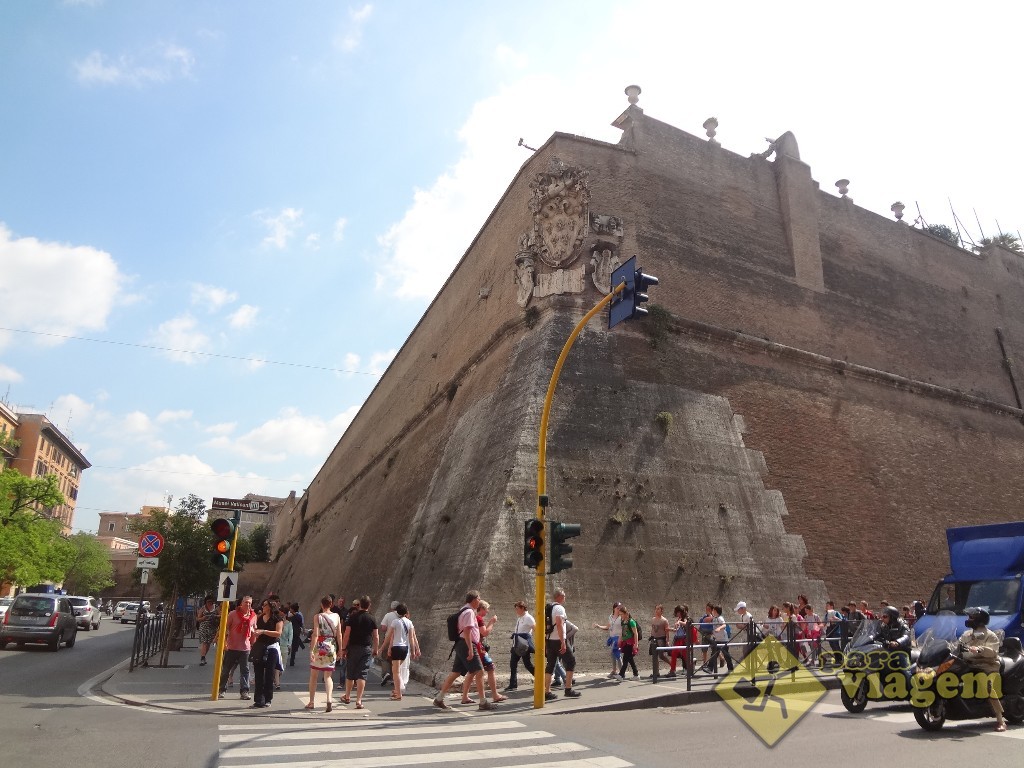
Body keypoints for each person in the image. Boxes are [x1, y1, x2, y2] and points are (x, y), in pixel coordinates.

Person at [434, 590, 491, 711]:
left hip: (461, 644)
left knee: (456, 672)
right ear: (475, 599)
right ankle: (483, 702)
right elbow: (467, 631)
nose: (480, 601)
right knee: (479, 671)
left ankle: (439, 698)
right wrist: (471, 649)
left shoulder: (464, 610)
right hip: (467, 644)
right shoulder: (469, 612)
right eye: (479, 599)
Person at [959, 607, 1007, 732]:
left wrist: (980, 649)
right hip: (969, 663)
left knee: (987, 686)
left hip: (987, 665)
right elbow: (959, 645)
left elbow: (993, 652)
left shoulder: (991, 636)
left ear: (979, 620)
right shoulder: (967, 634)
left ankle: (1000, 720)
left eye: (971, 617)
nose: (968, 619)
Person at [462, 600, 507, 703]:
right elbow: (485, 632)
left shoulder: (474, 617)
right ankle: (494, 695)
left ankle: (464, 696)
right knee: (490, 668)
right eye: (486, 609)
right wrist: (492, 622)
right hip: (479, 648)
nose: (487, 611)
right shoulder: (478, 619)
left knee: (472, 672)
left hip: (476, 647)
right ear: (481, 609)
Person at [340, 595, 379, 709]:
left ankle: (347, 696)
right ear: (369, 606)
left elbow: (347, 634)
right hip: (366, 648)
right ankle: (359, 700)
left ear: (360, 605)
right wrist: (376, 649)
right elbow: (375, 636)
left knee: (350, 673)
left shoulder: (352, 617)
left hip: (353, 648)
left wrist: (343, 648)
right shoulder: (372, 618)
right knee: (362, 674)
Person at [306, 595, 341, 712]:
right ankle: (329, 699)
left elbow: (315, 634)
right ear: (331, 604)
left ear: (321, 605)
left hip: (320, 645)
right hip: (331, 645)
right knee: (328, 676)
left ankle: (311, 702)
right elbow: (339, 634)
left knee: (314, 675)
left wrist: (311, 650)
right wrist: (340, 649)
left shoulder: (318, 616)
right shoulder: (337, 616)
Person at [544, 588, 580, 699]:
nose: (565, 598)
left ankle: (546, 692)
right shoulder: (559, 608)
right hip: (558, 640)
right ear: (559, 597)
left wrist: (546, 643)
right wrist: (563, 642)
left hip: (549, 640)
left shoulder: (548, 608)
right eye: (564, 596)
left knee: (550, 665)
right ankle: (568, 689)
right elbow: (559, 624)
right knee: (571, 662)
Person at [219, 595, 256, 700]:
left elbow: (253, 630)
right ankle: (222, 690)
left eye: (249, 603)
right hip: (231, 647)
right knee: (226, 670)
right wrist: (224, 643)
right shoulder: (233, 614)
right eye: (246, 602)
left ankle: (244, 691)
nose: (248, 604)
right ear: (241, 603)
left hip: (245, 648)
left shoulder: (253, 616)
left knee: (245, 671)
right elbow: (225, 628)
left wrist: (254, 644)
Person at [250, 599, 284, 709]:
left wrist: (263, 631)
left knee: (269, 675)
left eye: (264, 605)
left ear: (270, 607)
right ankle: (258, 700)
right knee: (258, 674)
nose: (262, 607)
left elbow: (278, 633)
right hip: (260, 647)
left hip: (271, 648)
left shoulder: (277, 619)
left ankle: (268, 699)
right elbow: (257, 630)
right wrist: (256, 633)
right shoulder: (260, 618)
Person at [382, 603, 419, 700]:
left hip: (397, 647)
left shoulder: (395, 622)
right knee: (397, 670)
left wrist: (382, 648)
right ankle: (397, 690)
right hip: (405, 649)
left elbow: (389, 636)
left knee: (396, 672)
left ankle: (398, 693)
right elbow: (411, 637)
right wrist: (413, 650)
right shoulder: (409, 622)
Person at [507, 600, 535, 691]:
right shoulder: (520, 618)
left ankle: (540, 678)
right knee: (513, 663)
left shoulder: (528, 618)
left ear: (523, 608)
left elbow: (535, 628)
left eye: (517, 609)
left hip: (523, 645)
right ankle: (513, 684)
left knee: (527, 664)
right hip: (516, 643)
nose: (516, 611)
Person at [592, 602, 623, 678]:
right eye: (617, 608)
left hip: (618, 638)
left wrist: (620, 639)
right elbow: (608, 627)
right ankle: (614, 671)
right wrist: (598, 626)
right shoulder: (610, 617)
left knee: (618, 655)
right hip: (612, 638)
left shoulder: (621, 617)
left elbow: (623, 629)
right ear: (614, 608)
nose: (619, 609)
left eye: (620, 608)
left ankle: (622, 673)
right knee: (613, 654)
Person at [703, 605, 733, 676]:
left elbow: (724, 625)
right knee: (714, 654)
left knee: (726, 655)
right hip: (717, 639)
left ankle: (730, 669)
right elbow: (705, 620)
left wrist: (719, 628)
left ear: (715, 611)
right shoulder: (714, 618)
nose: (712, 611)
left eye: (713, 610)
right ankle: (710, 668)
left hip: (723, 639)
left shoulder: (720, 618)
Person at [378, 600, 400, 686]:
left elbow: (383, 628)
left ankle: (386, 674)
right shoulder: (402, 616)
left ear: (391, 607)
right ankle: (394, 678)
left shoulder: (388, 615)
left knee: (384, 657)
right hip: (398, 640)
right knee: (394, 659)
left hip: (388, 638)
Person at [650, 604, 671, 682]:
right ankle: (656, 672)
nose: (656, 610)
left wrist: (667, 640)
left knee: (661, 656)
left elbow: (667, 631)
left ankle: (672, 667)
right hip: (654, 639)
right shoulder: (653, 619)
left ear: (662, 611)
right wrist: (651, 636)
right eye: (656, 609)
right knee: (654, 656)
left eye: (658, 609)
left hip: (661, 639)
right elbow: (652, 629)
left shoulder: (664, 620)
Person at [617, 606, 640, 679]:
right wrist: (619, 640)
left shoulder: (631, 621)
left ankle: (621, 674)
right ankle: (636, 674)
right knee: (630, 659)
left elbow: (635, 633)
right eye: (619, 615)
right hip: (625, 642)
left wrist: (636, 644)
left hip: (630, 643)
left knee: (625, 659)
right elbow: (622, 632)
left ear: (626, 614)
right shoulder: (623, 622)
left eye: (621, 614)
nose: (620, 616)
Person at [275, 604, 293, 689]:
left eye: (282, 613)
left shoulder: (289, 624)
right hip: (277, 645)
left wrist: (289, 644)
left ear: (285, 614)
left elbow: (290, 635)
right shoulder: (277, 622)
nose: (281, 614)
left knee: (283, 666)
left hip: (285, 646)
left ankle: (276, 677)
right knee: (277, 664)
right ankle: (277, 682)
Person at [196, 595, 217, 666]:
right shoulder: (202, 608)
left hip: (212, 627)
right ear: (206, 601)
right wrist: (203, 618)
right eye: (208, 601)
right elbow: (198, 619)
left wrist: (215, 616)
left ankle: (204, 656)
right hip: (204, 627)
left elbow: (221, 615)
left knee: (208, 643)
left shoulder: (216, 608)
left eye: (211, 601)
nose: (209, 603)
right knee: (204, 643)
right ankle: (202, 658)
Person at [288, 602, 304, 667]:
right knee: (294, 648)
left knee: (288, 645)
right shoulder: (299, 616)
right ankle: (292, 661)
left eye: (290, 608)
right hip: (296, 632)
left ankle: (287, 658)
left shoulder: (290, 616)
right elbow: (301, 624)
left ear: (292, 609)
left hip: (291, 632)